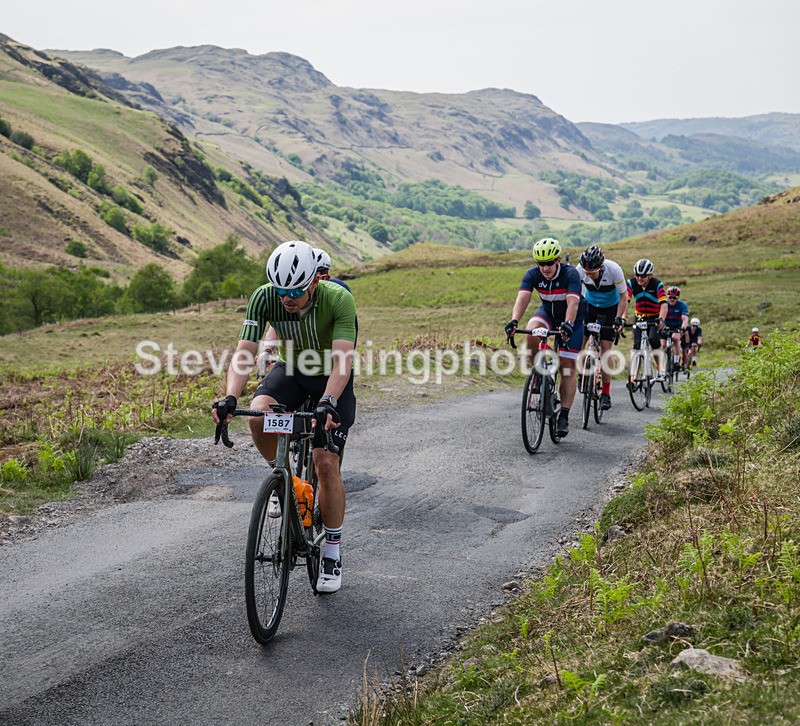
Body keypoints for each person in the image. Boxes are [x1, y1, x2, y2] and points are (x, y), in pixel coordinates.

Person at [212, 240, 357, 594]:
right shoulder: (264, 297)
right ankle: (287, 484)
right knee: (257, 416)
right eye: (280, 290)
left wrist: (327, 402)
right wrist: (231, 396)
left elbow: (342, 362)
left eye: (294, 290)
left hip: (330, 378)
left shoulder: (339, 299)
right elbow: (245, 352)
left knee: (325, 464)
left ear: (314, 282)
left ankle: (332, 551)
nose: (286, 297)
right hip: (292, 369)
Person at [505, 237, 585, 437]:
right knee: (532, 331)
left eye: (549, 263)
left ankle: (564, 416)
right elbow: (523, 297)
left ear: (558, 260)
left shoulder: (570, 274)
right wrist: (514, 321)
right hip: (548, 312)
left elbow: (573, 303)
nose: (546, 268)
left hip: (572, 317)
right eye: (541, 264)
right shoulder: (532, 275)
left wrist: (567, 324)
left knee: (567, 366)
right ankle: (539, 373)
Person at [575, 245, 627, 410]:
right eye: (587, 273)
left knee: (605, 351)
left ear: (602, 266)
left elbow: (624, 296)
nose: (588, 275)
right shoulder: (580, 270)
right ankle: (582, 372)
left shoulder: (614, 270)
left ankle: (605, 393)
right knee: (579, 344)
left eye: (592, 273)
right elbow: (574, 293)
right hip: (589, 306)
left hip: (610, 309)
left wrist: (619, 319)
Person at [625, 259, 668, 378]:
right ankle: (633, 377)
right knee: (636, 345)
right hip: (639, 316)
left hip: (654, 317)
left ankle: (661, 368)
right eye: (637, 275)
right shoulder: (631, 283)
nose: (639, 278)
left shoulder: (657, 284)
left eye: (643, 276)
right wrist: (622, 317)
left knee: (653, 339)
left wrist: (661, 319)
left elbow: (664, 305)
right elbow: (625, 302)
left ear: (650, 275)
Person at [663, 286, 690, 371]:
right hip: (665, 326)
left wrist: (682, 328)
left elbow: (685, 319)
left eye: (674, 298)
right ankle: (663, 363)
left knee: (675, 338)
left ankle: (676, 361)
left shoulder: (682, 305)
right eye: (670, 297)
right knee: (662, 345)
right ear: (667, 296)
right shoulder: (664, 305)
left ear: (678, 297)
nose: (672, 299)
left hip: (677, 327)